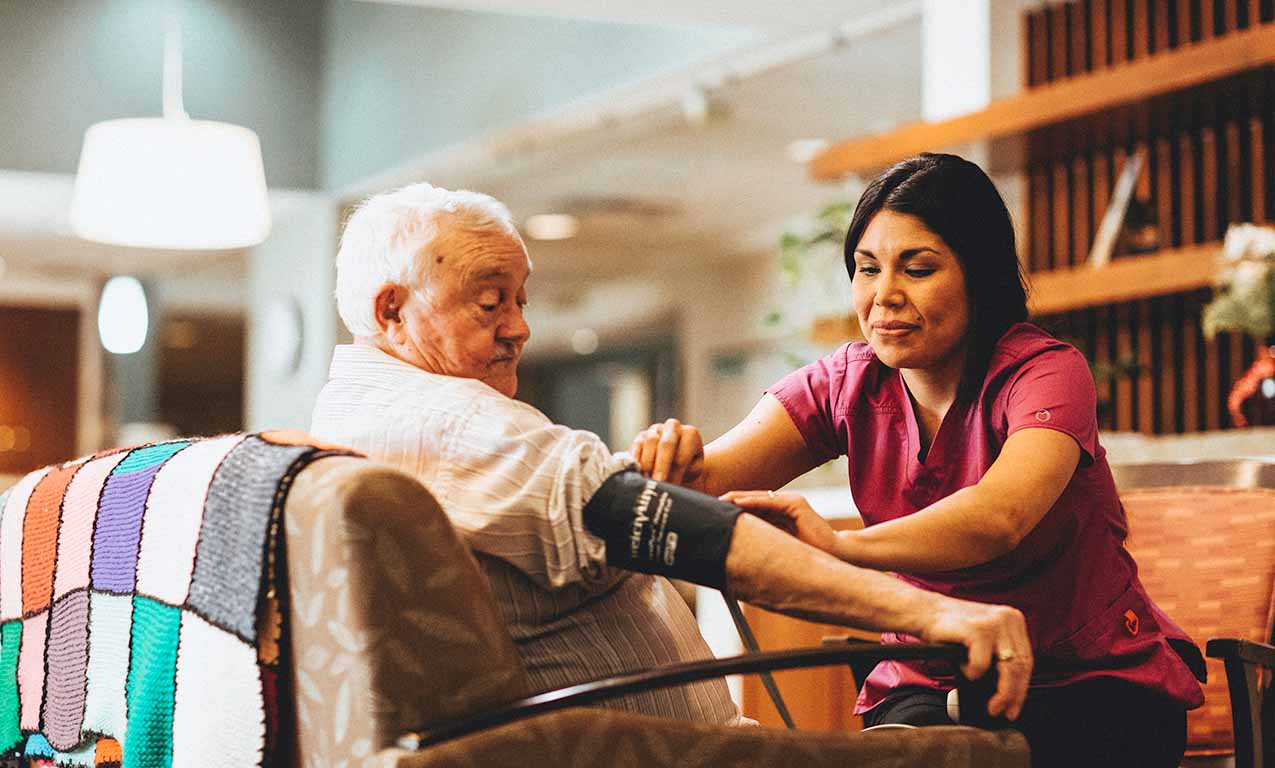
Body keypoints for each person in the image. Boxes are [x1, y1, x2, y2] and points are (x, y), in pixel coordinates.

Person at [310, 181, 1032, 730]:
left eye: (520, 300)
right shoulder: (452, 422)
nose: (520, 328)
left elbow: (630, 497)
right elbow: (689, 531)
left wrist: (655, 472)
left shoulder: (353, 417)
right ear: (390, 310)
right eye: (491, 302)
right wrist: (929, 612)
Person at [630, 153, 1205, 768]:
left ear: (980, 274)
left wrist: (841, 546)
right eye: (867, 267)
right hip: (927, 682)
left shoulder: (1046, 373)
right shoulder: (844, 383)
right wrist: (669, 452)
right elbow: (706, 475)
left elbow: (997, 517)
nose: (883, 294)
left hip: (1090, 687)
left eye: (918, 267)